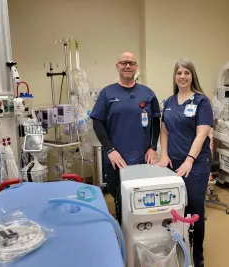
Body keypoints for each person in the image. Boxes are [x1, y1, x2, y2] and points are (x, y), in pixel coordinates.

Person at [90, 52, 161, 222]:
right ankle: (123, 235)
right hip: (116, 160)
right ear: (117, 66)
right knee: (119, 199)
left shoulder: (147, 93)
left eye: (131, 63)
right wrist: (110, 150)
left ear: (136, 67)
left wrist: (153, 147)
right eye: (123, 62)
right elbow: (97, 123)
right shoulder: (107, 93)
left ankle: (141, 232)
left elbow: (156, 121)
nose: (127, 66)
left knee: (142, 200)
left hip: (141, 159)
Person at [159, 58, 213, 267]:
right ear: (175, 77)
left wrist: (190, 160)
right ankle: (178, 246)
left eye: (186, 73)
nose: (182, 76)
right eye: (179, 73)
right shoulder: (170, 102)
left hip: (196, 163)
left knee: (194, 208)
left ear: (192, 76)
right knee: (174, 206)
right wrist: (164, 155)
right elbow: (164, 131)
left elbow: (202, 134)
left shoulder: (201, 101)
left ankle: (197, 256)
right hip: (173, 162)